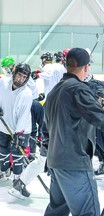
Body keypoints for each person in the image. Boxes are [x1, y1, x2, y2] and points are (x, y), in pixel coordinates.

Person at [44, 48, 103, 216]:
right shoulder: (79, 89)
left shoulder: (54, 92)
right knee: (88, 212)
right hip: (74, 162)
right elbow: (100, 118)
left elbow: (45, 129)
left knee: (57, 211)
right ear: (86, 67)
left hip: (55, 161)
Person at [0, 63, 33, 190]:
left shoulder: (26, 93)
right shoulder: (2, 82)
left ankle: (17, 177)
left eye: (24, 77)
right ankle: (4, 171)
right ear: (14, 74)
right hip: (4, 124)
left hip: (22, 128)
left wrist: (19, 133)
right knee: (3, 148)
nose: (21, 79)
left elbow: (24, 116)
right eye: (19, 75)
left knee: (17, 153)